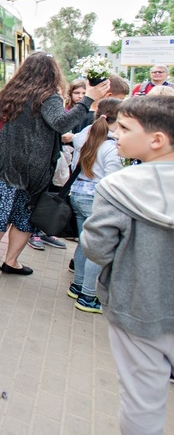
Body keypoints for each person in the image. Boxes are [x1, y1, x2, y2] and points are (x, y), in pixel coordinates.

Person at [81, 96, 174, 434]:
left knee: (142, 404)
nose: (115, 134)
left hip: (137, 311)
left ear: (157, 139)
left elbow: (96, 247)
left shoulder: (118, 187)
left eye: (123, 128)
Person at [0, 51, 110, 276]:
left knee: (3, 203)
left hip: (4, 159)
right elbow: (60, 123)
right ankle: (11, 261)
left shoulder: (11, 93)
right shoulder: (47, 96)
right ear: (51, 73)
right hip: (32, 163)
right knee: (26, 212)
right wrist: (88, 100)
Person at [65, 98, 122, 314]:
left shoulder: (86, 133)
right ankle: (88, 296)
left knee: (83, 243)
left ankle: (78, 285)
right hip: (96, 199)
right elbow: (113, 179)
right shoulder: (112, 147)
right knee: (96, 249)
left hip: (77, 194)